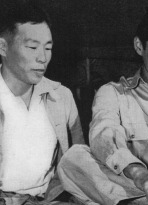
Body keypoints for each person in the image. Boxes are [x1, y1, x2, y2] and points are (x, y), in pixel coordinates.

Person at [58, 1, 148, 205]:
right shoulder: (112, 93)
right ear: (139, 46)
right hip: (137, 186)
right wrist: (140, 174)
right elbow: (104, 134)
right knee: (74, 158)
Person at [0, 1, 85, 204]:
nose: (43, 58)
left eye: (48, 48)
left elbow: (79, 159)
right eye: (32, 47)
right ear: (3, 47)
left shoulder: (61, 96)